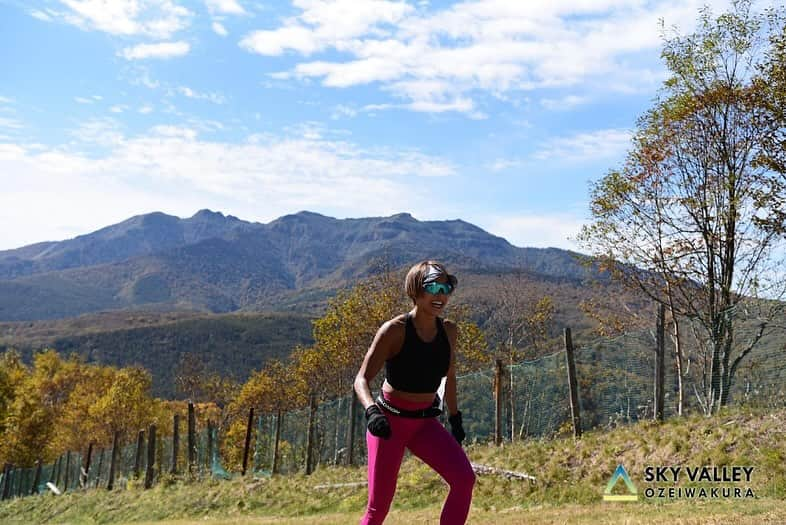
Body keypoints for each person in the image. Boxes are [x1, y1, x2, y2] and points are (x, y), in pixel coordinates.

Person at [354, 260, 476, 525]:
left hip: (424, 424)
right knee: (378, 509)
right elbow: (361, 380)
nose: (441, 295)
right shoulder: (395, 330)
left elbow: (450, 377)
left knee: (464, 480)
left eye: (446, 287)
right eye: (434, 287)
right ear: (416, 290)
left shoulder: (450, 331)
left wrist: (455, 418)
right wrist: (372, 413)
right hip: (389, 425)